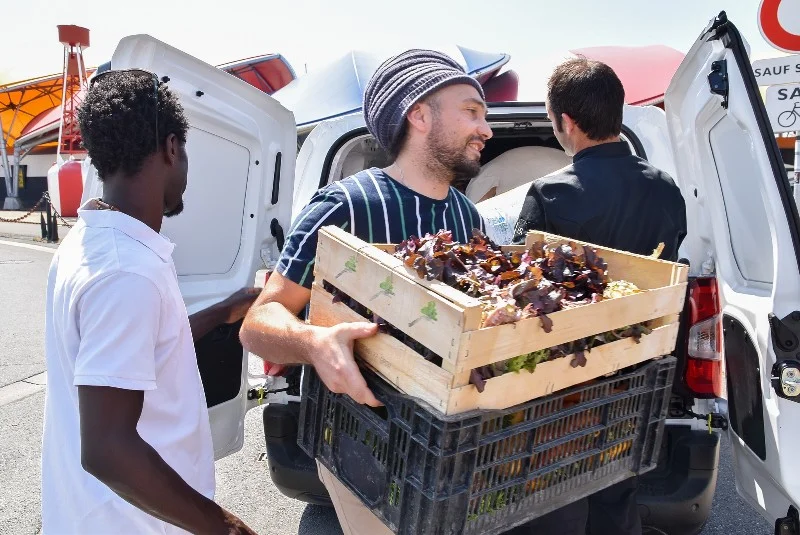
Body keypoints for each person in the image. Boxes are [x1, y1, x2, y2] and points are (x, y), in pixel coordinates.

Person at [239, 49, 492, 534]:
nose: (486, 129)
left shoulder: (467, 216)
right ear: (418, 114)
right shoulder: (345, 206)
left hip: (448, 452)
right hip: (364, 451)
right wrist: (314, 343)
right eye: (471, 111)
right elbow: (259, 323)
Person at [42, 69, 259, 534]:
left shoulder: (92, 243)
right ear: (171, 148)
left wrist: (225, 309)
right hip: (132, 523)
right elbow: (107, 449)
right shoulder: (127, 272)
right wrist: (225, 527)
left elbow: (147, 347)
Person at [507, 58, 687, 535]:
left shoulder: (550, 194)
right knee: (618, 486)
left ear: (566, 122)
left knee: (556, 491)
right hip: (639, 371)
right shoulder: (667, 190)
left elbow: (525, 293)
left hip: (567, 381)